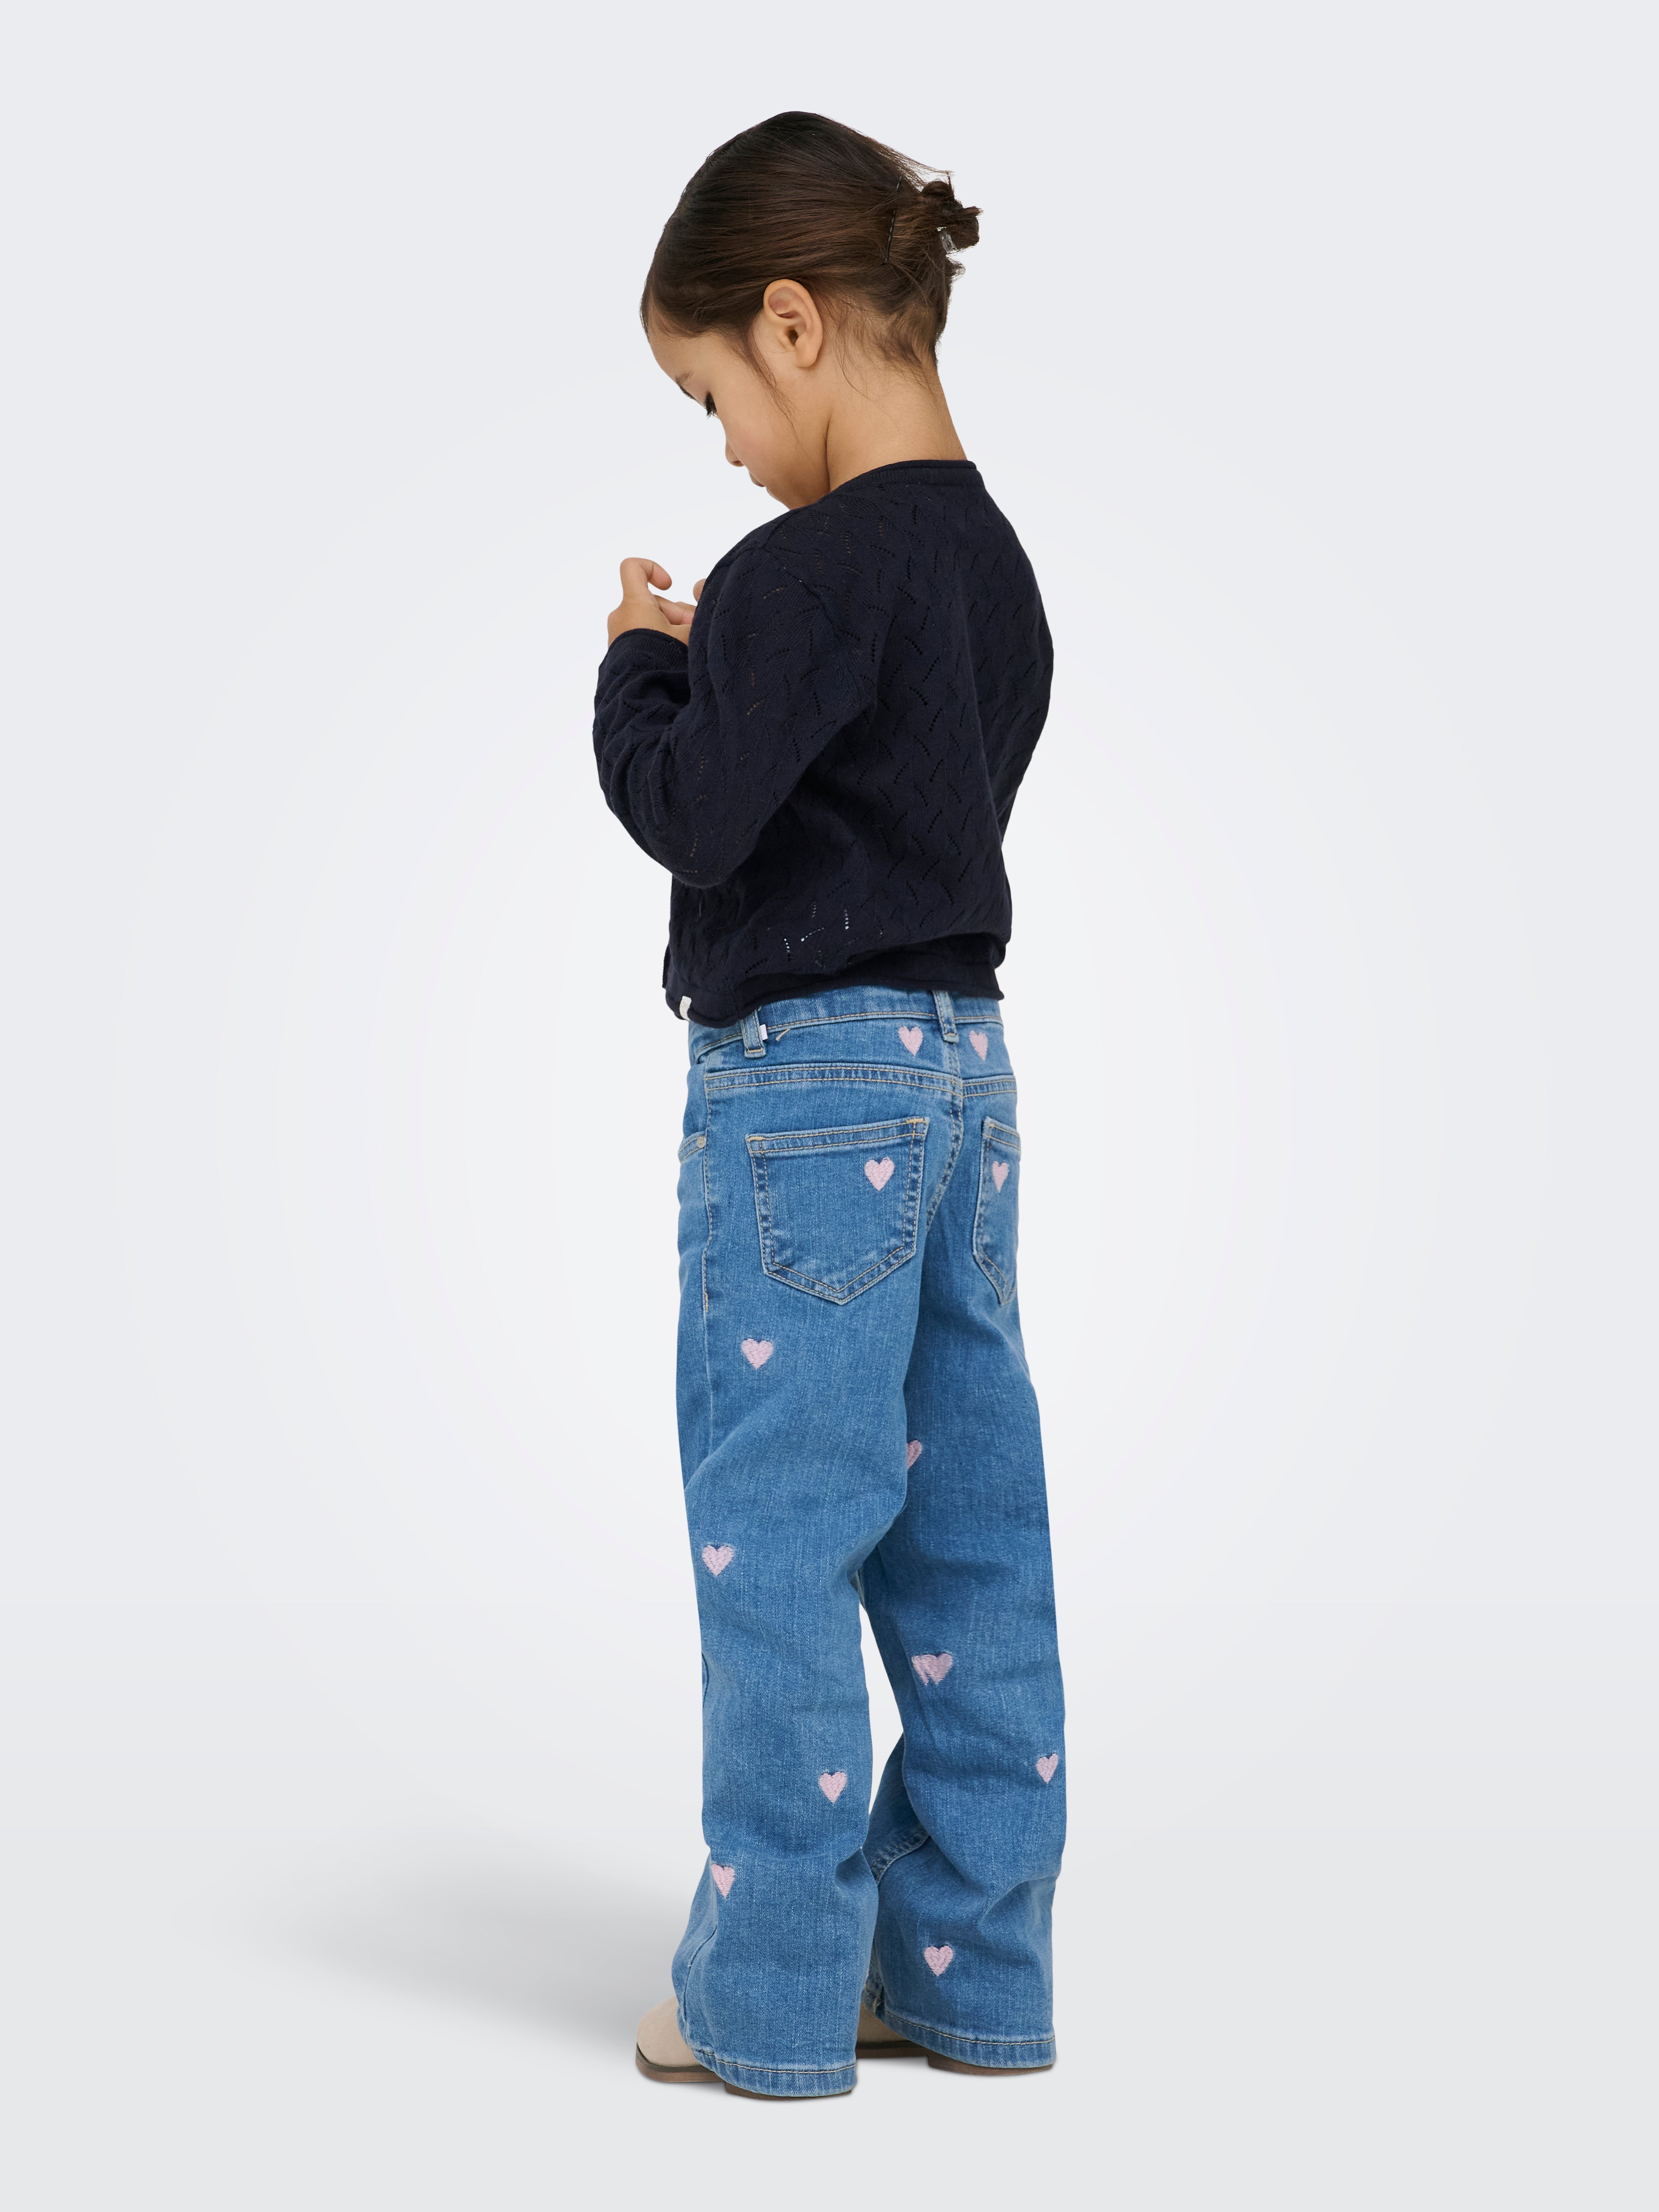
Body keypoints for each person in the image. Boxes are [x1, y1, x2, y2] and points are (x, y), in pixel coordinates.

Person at [592, 112, 1065, 2100]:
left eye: (712, 394)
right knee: (970, 1538)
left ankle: (774, 1988)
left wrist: (645, 671)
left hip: (807, 1102)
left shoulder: (801, 567)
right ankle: (968, 1963)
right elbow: (890, 795)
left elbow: (701, 814)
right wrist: (749, 680)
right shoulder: (994, 569)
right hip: (966, 1092)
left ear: (792, 323)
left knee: (781, 1535)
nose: (723, 448)